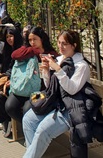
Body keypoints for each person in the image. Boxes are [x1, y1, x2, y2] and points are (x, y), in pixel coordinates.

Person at [22, 30, 92, 158]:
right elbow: (50, 88)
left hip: (71, 109)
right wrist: (46, 72)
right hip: (54, 103)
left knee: (42, 131)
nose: (60, 46)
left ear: (74, 45)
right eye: (59, 43)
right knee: (27, 120)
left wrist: (58, 69)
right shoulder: (59, 59)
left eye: (64, 44)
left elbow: (72, 89)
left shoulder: (81, 66)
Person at [5, 26, 58, 122]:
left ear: (42, 39)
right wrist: (34, 50)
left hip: (41, 91)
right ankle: (27, 127)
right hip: (24, 87)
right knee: (10, 106)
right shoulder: (28, 50)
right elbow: (14, 55)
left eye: (35, 39)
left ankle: (30, 129)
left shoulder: (50, 53)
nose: (32, 42)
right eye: (30, 40)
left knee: (28, 109)